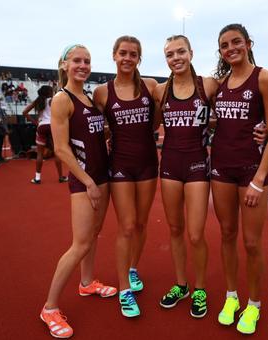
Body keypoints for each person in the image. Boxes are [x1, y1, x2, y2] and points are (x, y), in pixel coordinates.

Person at [40, 44, 116, 339]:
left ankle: (87, 282)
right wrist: (87, 181)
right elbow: (60, 149)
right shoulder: (62, 99)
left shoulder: (89, 97)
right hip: (86, 181)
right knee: (80, 243)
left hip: (102, 176)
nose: (83, 65)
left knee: (92, 237)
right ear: (63, 64)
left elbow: (92, 133)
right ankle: (49, 307)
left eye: (87, 61)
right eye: (77, 61)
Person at [210, 23, 268, 335]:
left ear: (249, 43)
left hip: (251, 171)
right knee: (226, 235)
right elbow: (220, 122)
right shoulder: (221, 83)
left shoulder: (264, 78)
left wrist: (259, 178)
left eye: (236, 42)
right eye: (224, 45)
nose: (230, 48)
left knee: (251, 243)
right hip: (221, 169)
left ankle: (253, 304)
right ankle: (230, 297)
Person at [151, 35, 218, 318]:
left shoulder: (208, 85)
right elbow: (149, 124)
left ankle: (200, 288)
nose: (175, 57)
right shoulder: (161, 90)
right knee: (175, 230)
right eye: (169, 54)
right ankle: (181, 285)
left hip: (196, 166)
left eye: (180, 51)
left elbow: (235, 108)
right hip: (169, 165)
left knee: (194, 233)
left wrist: (261, 127)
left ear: (191, 52)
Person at [92, 36, 158, 318]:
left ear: (139, 58)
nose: (127, 58)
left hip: (147, 164)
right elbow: (94, 127)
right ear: (114, 55)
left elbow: (158, 119)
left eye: (133, 54)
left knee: (142, 223)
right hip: (119, 165)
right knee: (126, 226)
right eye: (123, 53)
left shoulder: (151, 86)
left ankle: (132, 269)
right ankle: (124, 290)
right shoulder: (102, 92)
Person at [23, 85, 67, 184]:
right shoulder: (53, 100)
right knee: (57, 152)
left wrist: (35, 122)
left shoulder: (38, 101)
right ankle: (61, 177)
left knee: (40, 153)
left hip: (41, 126)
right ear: (49, 92)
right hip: (52, 126)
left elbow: (24, 112)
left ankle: (37, 178)